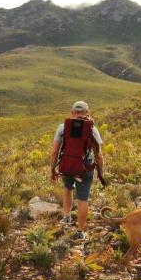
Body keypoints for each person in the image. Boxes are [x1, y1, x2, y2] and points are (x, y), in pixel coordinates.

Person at [50, 100, 104, 240]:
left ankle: (67, 216)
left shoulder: (63, 127)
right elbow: (98, 154)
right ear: (87, 112)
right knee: (82, 199)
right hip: (85, 168)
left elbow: (54, 151)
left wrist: (52, 169)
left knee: (67, 188)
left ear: (72, 112)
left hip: (67, 165)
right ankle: (80, 231)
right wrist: (100, 172)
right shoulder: (92, 129)